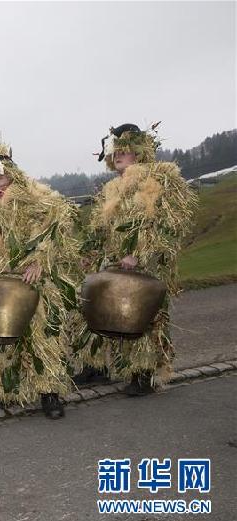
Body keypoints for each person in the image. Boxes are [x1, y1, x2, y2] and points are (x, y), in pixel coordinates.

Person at [74, 123, 197, 395]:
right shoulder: (112, 189)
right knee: (96, 309)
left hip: (148, 264)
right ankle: (97, 366)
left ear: (139, 153)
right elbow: (100, 227)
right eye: (115, 151)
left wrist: (139, 254)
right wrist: (89, 254)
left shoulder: (160, 179)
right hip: (113, 262)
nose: (118, 155)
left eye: (125, 150)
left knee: (145, 318)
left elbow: (170, 225)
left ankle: (144, 374)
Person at [0, 143, 78, 418]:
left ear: (10, 168)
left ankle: (50, 392)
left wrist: (39, 258)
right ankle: (7, 390)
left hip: (32, 281)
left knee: (42, 336)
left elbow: (58, 223)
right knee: (1, 339)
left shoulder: (36, 196)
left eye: (0, 168)